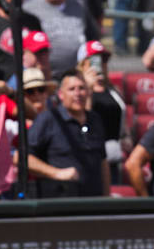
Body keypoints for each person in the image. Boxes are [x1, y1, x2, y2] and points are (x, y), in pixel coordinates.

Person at [28, 70, 109, 198]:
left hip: (94, 204)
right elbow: (22, 158)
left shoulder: (95, 119)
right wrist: (56, 173)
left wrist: (106, 196)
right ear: (61, 94)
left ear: (88, 92)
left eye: (81, 88)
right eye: (71, 89)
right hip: (60, 205)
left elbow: (103, 161)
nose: (78, 94)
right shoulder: (49, 119)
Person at [23, 0, 100, 80]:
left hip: (76, 77)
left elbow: (93, 38)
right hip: (44, 79)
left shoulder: (79, 5)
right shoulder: (29, 9)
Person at [77, 40, 130, 183]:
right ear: (83, 64)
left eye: (104, 59)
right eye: (94, 60)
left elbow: (121, 119)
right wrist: (87, 87)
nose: (101, 64)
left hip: (113, 155)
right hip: (91, 157)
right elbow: (82, 119)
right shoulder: (78, 91)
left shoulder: (113, 90)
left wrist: (126, 137)